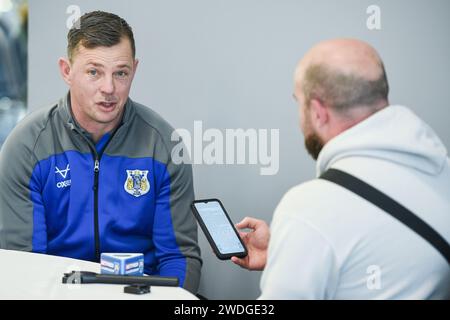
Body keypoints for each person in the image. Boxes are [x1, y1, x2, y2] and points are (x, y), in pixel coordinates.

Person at [231, 38, 450, 299]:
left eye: (298, 102)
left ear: (318, 111)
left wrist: (304, 236)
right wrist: (289, 253)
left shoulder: (309, 208)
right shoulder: (441, 172)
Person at [0, 11, 201, 293]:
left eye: (121, 73)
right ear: (67, 71)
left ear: (135, 69)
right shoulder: (26, 147)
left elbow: (178, 259)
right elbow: (25, 263)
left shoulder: (164, 145)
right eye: (94, 72)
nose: (109, 88)